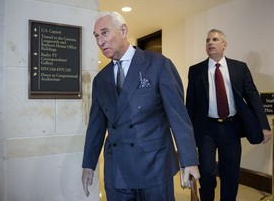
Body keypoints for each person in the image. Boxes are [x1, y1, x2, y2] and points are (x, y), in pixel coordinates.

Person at [81, 11, 200, 201]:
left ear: (123, 30)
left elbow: (178, 116)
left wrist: (189, 161)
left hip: (154, 166)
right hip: (116, 170)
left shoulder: (158, 65)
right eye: (96, 36)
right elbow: (96, 125)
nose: (100, 41)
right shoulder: (100, 80)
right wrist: (88, 163)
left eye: (104, 33)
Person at [186, 28, 271, 201]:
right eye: (208, 40)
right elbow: (191, 104)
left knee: (230, 173)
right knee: (207, 172)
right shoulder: (196, 71)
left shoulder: (239, 68)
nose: (210, 42)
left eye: (215, 39)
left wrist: (264, 125)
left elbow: (253, 97)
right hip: (206, 129)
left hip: (231, 127)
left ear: (224, 45)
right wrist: (187, 134)